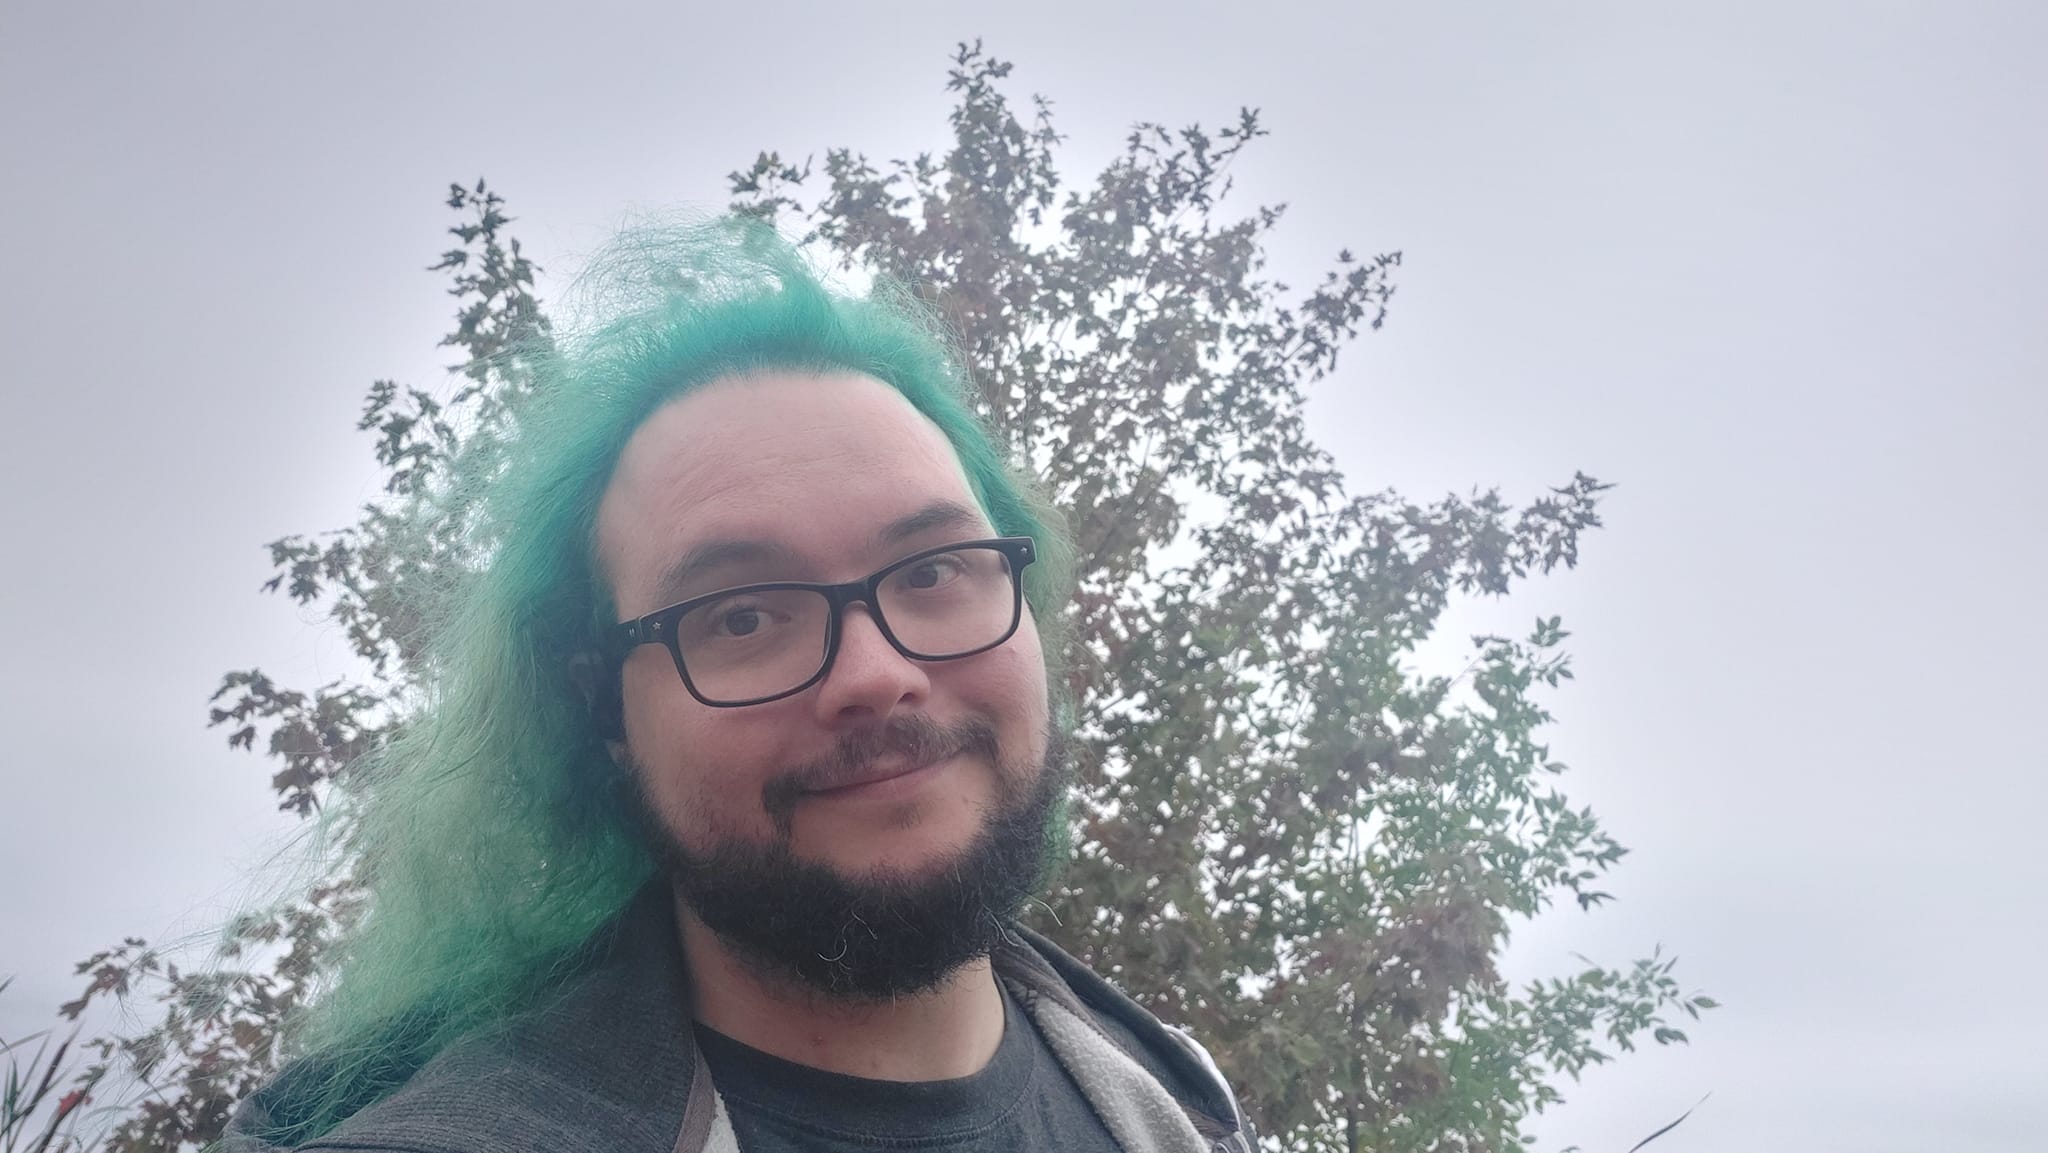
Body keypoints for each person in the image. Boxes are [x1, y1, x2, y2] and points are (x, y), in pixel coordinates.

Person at [222, 221, 1253, 1153]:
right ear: (604, 709)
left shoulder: (1174, 1099)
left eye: (934, 570)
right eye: (742, 616)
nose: (875, 675)